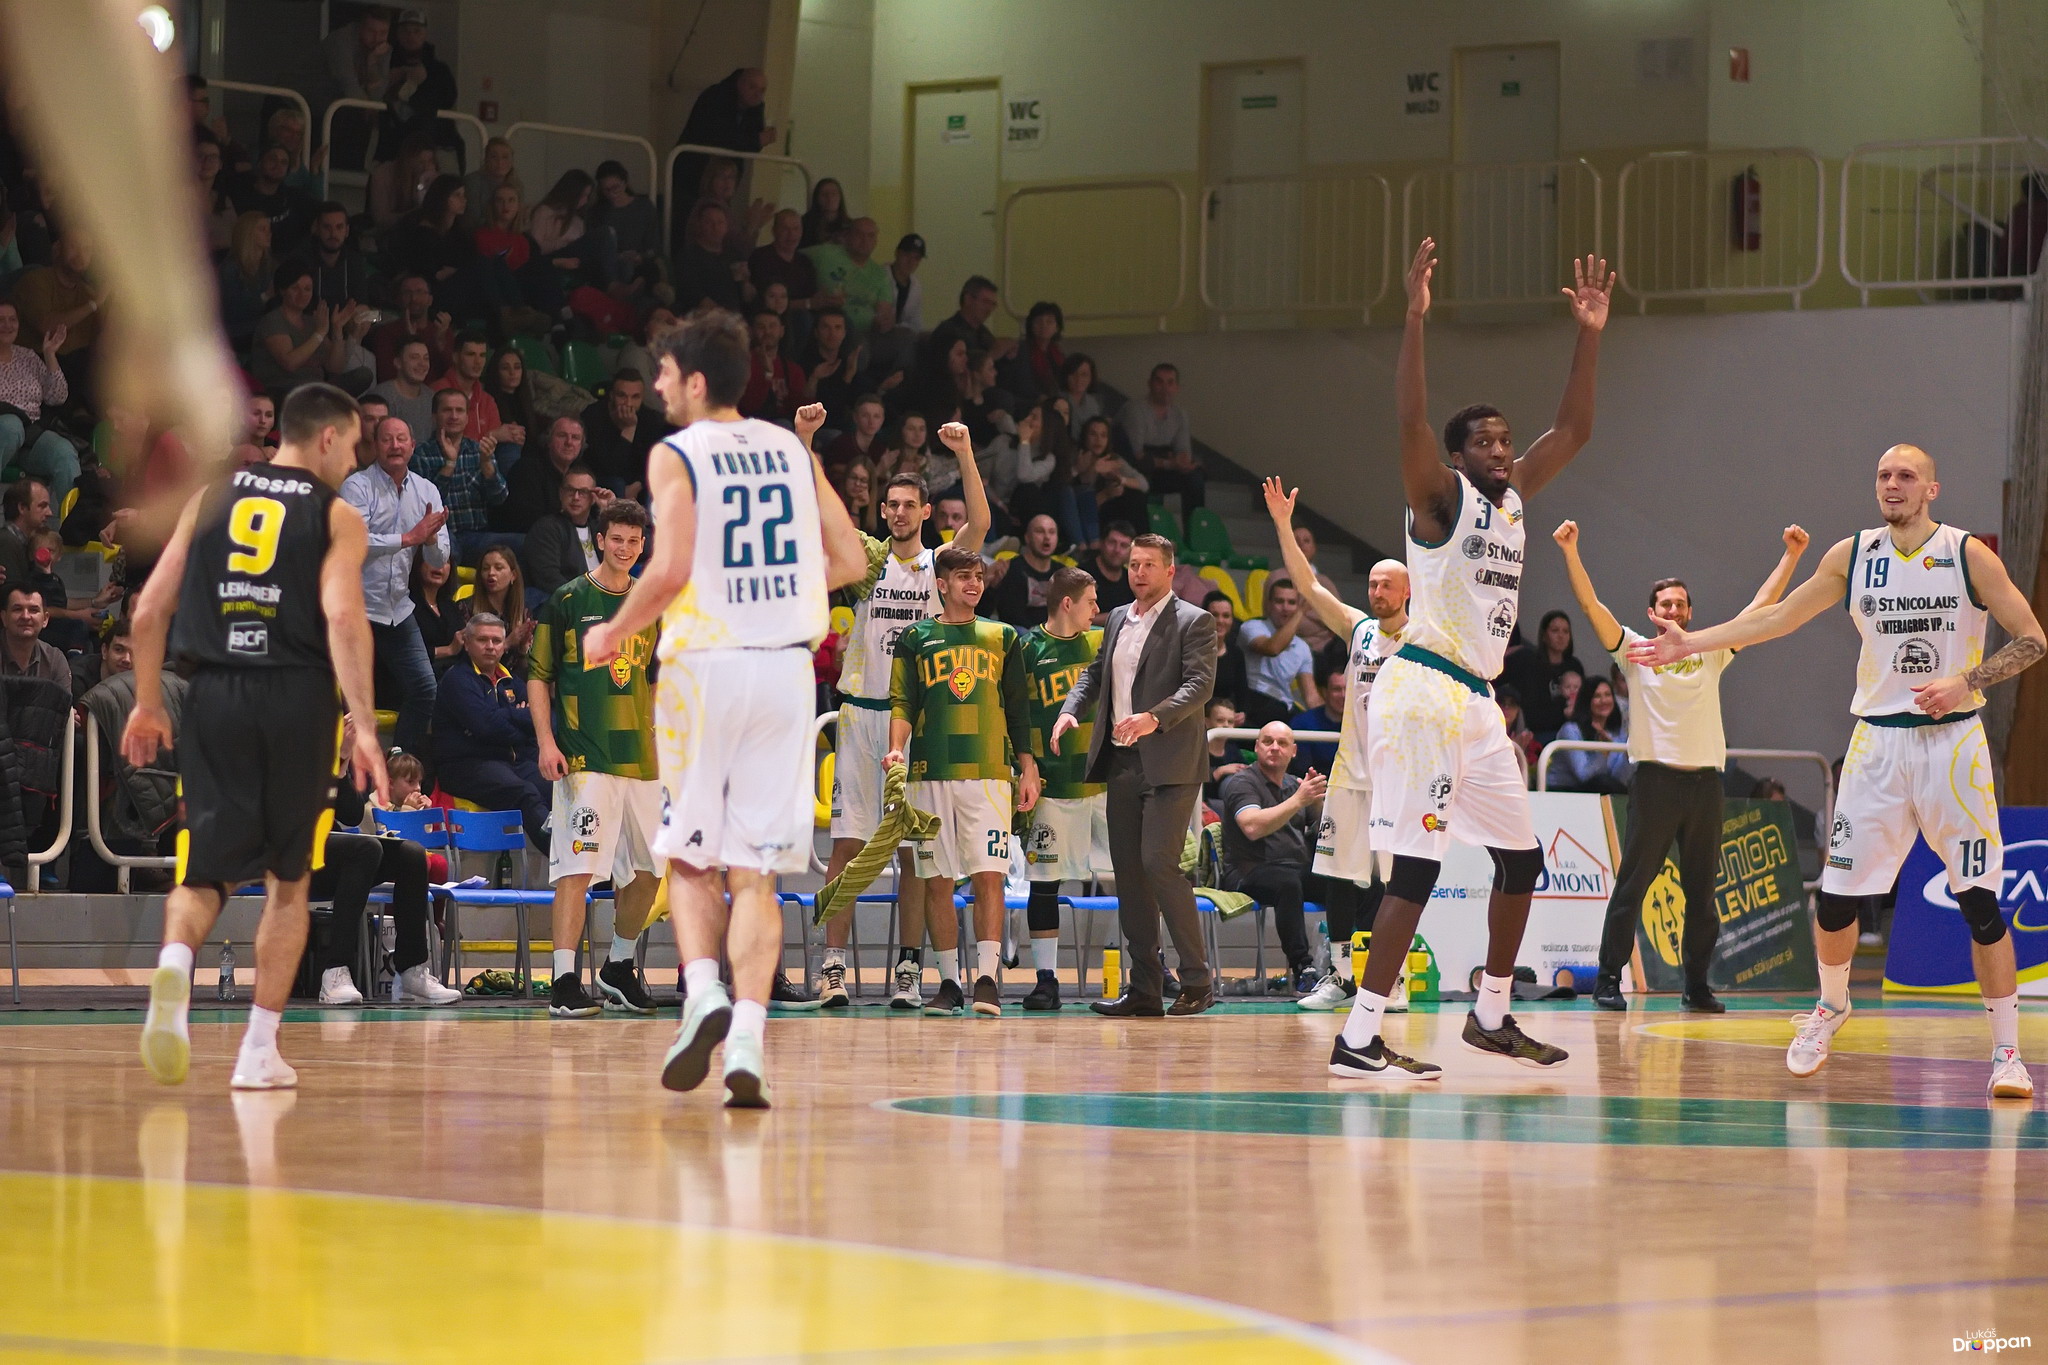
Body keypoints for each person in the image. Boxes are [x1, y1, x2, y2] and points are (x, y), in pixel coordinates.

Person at [1629, 443, 2045, 1098]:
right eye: (1883, 475)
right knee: (1836, 898)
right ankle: (1830, 1006)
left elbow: (2033, 638)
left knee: (1980, 905)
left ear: (1931, 489)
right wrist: (1694, 641)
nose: (1892, 484)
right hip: (1876, 745)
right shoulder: (1852, 557)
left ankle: (2007, 1054)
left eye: (1906, 476)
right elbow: (1778, 617)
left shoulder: (1967, 555)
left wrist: (1966, 680)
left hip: (1952, 745)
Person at [1333, 239, 1613, 1083]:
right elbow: (1411, 422)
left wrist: (1590, 334)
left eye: (1504, 440)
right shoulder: (1439, 498)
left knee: (1523, 860)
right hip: (1422, 689)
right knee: (1417, 871)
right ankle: (1359, 1034)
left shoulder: (1515, 497)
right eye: (1484, 442)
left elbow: (1576, 429)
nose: (1499, 449)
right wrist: (1415, 318)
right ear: (1458, 457)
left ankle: (1490, 1014)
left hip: (1478, 702)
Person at [578, 310, 865, 1108]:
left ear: (696, 381)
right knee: (757, 874)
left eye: (665, 372)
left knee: (689, 856)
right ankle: (747, 1037)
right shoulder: (792, 451)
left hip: (705, 667)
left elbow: (670, 568)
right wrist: (779, 587)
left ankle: (702, 988)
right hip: (785, 671)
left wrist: (612, 630)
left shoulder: (677, 452)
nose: (657, 384)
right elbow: (849, 557)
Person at [126, 384, 387, 1091]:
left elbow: (148, 610)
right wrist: (364, 726)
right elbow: (343, 618)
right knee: (289, 880)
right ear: (326, 437)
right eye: (353, 445)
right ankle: (258, 1051)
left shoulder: (208, 497)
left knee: (205, 872)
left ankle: (174, 967)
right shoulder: (336, 515)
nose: (353, 461)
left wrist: (146, 703)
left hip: (213, 693)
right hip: (298, 697)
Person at [1554, 518, 1809, 1011]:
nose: (1673, 609)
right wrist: (1571, 551)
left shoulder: (1711, 651)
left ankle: (1696, 987)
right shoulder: (1634, 649)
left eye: (1680, 603)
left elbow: (1759, 610)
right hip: (1655, 782)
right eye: (1665, 603)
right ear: (1652, 612)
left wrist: (1792, 556)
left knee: (1702, 894)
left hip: (1705, 786)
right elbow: (1591, 606)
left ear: (1690, 612)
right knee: (1632, 887)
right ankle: (1608, 980)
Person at [812, 417, 990, 1005]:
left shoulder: (941, 566)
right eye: (891, 505)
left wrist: (964, 452)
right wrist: (807, 445)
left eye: (909, 505)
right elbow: (825, 519)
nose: (898, 513)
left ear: (926, 511)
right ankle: (833, 968)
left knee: (916, 852)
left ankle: (909, 969)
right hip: (863, 717)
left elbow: (982, 522)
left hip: (918, 722)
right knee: (848, 845)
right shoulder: (867, 559)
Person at [1050, 532, 1217, 1017]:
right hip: (1122, 762)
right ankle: (1145, 987)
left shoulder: (1194, 620)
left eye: (1148, 565)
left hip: (1171, 763)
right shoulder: (1119, 617)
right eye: (1133, 564)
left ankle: (1197, 980)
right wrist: (1070, 710)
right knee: (1129, 875)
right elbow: (1094, 674)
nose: (1138, 572)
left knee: (1158, 863)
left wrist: (1154, 718)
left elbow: (1200, 685)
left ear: (1170, 570)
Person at [1264, 478, 1411, 1010]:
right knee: (1338, 876)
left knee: (1396, 883)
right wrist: (1283, 524)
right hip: (1351, 774)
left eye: (1386, 584)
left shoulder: (1423, 639)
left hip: (1399, 780)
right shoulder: (1359, 629)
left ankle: (1393, 978)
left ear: (1407, 591)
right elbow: (1308, 587)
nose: (1376, 591)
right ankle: (1342, 976)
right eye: (1372, 583)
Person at [886, 541, 1042, 1015]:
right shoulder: (915, 637)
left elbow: (1019, 708)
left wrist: (1028, 765)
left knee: (988, 876)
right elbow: (903, 701)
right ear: (942, 584)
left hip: (989, 773)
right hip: (929, 773)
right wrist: (896, 747)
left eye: (978, 577)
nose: (974, 584)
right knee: (936, 880)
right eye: (963, 577)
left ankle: (988, 980)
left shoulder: (1003, 636)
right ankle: (950, 982)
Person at [526, 498, 664, 1017]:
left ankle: (618, 967)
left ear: (643, 546)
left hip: (642, 762)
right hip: (584, 759)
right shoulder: (566, 599)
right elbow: (538, 675)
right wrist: (546, 742)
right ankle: (564, 981)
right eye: (616, 539)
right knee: (577, 870)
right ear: (599, 541)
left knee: (649, 872)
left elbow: (654, 679)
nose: (625, 548)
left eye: (634, 540)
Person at [311, 723, 462, 1007]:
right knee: (365, 849)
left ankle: (411, 970)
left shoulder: (328, 751)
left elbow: (351, 814)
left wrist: (341, 761)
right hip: (286, 850)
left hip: (327, 849)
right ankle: (335, 970)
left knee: (411, 854)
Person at [1018, 567, 1109, 1011]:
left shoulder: (1102, 642)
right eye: (1091, 601)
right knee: (1044, 883)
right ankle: (1046, 980)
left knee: (1136, 877)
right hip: (1053, 783)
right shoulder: (1028, 649)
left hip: (1105, 780)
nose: (1098, 609)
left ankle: (1154, 968)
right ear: (1067, 603)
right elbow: (1016, 714)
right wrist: (1025, 766)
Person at [340, 414, 450, 756]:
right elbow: (353, 540)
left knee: (425, 689)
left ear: (413, 446)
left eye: (402, 439)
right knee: (348, 699)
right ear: (375, 445)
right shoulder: (357, 486)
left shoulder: (427, 490)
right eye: (387, 439)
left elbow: (439, 558)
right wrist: (408, 538)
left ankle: (398, 763)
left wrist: (430, 540)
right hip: (355, 609)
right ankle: (343, 770)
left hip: (397, 608)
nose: (395, 446)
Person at [1220, 723, 1329, 990]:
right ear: (1257, 747)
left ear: (1294, 751)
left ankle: (1345, 965)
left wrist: (1316, 802)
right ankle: (1304, 968)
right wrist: (1299, 800)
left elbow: (1321, 829)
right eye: (1268, 741)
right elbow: (1252, 827)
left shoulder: (1294, 785)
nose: (1274, 748)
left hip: (1295, 868)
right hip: (1248, 870)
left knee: (1351, 883)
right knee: (1287, 883)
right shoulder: (1242, 783)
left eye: (1282, 743)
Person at [433, 612, 549, 850]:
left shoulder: (512, 681)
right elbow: (485, 727)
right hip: (466, 765)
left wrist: (504, 717)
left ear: (504, 646)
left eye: (496, 641)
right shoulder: (457, 680)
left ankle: (579, 855)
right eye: (482, 640)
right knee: (525, 793)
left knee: (557, 787)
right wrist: (519, 717)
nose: (490, 646)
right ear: (467, 643)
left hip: (512, 761)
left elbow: (546, 719)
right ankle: (560, 858)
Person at [413, 387, 507, 561]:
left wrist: (487, 464)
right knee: (447, 551)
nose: (454, 416)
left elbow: (499, 498)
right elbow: (423, 506)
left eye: (460, 410)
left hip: (477, 536)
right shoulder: (420, 454)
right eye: (447, 410)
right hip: (440, 534)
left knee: (524, 544)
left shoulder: (479, 450)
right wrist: (449, 464)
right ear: (434, 416)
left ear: (467, 417)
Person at [0, 300, 79, 503]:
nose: (7, 325)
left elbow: (57, 397)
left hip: (30, 437)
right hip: (4, 435)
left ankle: (72, 520)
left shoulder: (27, 356)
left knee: (64, 453)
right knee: (11, 425)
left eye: (12, 320)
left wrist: (49, 354)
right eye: (1, 320)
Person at [253, 265, 369, 395]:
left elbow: (335, 367)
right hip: (284, 389)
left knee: (363, 375)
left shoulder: (313, 322)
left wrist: (337, 329)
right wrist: (319, 333)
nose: (302, 294)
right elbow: (290, 363)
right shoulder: (273, 320)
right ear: (282, 290)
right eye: (295, 288)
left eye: (307, 289)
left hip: (317, 387)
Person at [1118, 362, 1203, 532]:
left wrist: (1184, 462)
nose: (1165, 388)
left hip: (1161, 467)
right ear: (1150, 384)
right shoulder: (1135, 410)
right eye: (1159, 382)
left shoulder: (1180, 414)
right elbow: (1136, 455)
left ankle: (1195, 533)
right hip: (1134, 467)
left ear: (1176, 387)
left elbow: (1183, 450)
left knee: (1194, 478)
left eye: (1170, 383)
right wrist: (1169, 463)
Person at [1239, 578, 1321, 727]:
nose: (1285, 608)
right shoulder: (1252, 626)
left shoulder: (1302, 647)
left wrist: (1330, 720)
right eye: (1279, 601)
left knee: (1306, 724)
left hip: (1284, 705)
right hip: (1254, 701)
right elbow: (1273, 648)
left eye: (1291, 603)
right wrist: (1301, 612)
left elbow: (1311, 697)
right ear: (1269, 604)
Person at [521, 460, 609, 595]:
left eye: (583, 492)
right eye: (570, 490)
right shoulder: (547, 528)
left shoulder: (599, 527)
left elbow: (635, 549)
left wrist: (611, 511)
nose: (576, 497)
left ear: (593, 498)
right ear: (561, 493)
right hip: (574, 600)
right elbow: (548, 578)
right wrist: (583, 598)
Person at [1500, 608, 1585, 743]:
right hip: (1539, 732)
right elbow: (1532, 712)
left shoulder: (1575, 666)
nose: (1561, 636)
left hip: (1571, 730)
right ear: (1544, 635)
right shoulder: (1530, 662)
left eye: (1566, 631)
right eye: (1555, 631)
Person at [581, 369, 664, 500]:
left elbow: (656, 462)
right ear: (612, 395)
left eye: (635, 397)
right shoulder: (594, 415)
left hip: (638, 481)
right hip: (603, 479)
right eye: (622, 396)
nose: (628, 403)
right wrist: (629, 429)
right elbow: (610, 469)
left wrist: (639, 484)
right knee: (617, 484)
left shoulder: (651, 420)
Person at [804, 217, 893, 339]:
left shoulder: (880, 274)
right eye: (859, 234)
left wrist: (884, 322)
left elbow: (884, 312)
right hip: (831, 328)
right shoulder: (825, 254)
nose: (865, 240)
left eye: (870, 236)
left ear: (876, 241)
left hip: (868, 333)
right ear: (848, 235)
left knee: (905, 336)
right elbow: (791, 255)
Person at [501, 415, 590, 534]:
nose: (569, 442)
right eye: (562, 435)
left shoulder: (583, 473)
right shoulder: (527, 469)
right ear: (548, 441)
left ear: (581, 445)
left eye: (575, 438)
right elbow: (527, 522)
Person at [1548, 677, 1632, 794]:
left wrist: (1628, 757)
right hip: (1563, 791)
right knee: (1602, 782)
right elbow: (1584, 776)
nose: (1603, 700)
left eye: (1607, 695)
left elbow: (1619, 780)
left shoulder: (1617, 733)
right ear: (1587, 700)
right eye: (1597, 696)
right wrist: (1603, 752)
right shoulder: (1571, 730)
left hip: (1600, 791)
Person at [367, 274, 455, 382]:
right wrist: (409, 342)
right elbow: (387, 376)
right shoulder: (386, 332)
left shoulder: (442, 331)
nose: (414, 298)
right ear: (399, 299)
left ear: (430, 300)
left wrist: (441, 343)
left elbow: (454, 375)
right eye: (407, 293)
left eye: (420, 292)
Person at [435, 336, 517, 447]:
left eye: (482, 355)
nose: (478, 362)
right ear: (456, 357)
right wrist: (491, 435)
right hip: (445, 456)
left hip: (483, 456)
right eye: (471, 354)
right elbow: (444, 442)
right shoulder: (438, 391)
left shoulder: (487, 400)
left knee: (511, 446)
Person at [988, 514, 1062, 628]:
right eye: (1040, 531)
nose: (1047, 537)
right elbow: (1011, 616)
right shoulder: (1012, 569)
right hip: (1022, 632)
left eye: (1052, 532)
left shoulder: (1062, 573)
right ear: (1027, 538)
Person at [740, 306, 807, 425]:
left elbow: (798, 410)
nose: (767, 332)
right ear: (751, 331)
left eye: (772, 326)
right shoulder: (741, 364)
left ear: (782, 331)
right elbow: (748, 406)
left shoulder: (793, 370)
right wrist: (767, 374)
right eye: (761, 327)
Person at [366, 336, 438, 446]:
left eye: (426, 358)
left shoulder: (432, 397)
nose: (422, 363)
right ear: (398, 363)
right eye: (414, 357)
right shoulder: (382, 396)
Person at [1288, 665, 1345, 776]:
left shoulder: (1363, 724)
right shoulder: (1302, 724)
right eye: (1336, 689)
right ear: (1324, 692)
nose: (1343, 695)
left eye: (1348, 689)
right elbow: (1301, 771)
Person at [1202, 590, 1250, 718]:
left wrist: (1241, 713)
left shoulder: (1236, 654)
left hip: (1225, 718)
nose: (1220, 621)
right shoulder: (1189, 651)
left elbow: (1242, 692)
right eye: (1214, 615)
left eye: (1226, 616)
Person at [1079, 521, 1136, 620]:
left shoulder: (1132, 579)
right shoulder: (1081, 575)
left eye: (1124, 545)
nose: (1117, 550)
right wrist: (1115, 617)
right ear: (1101, 543)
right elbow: (1076, 618)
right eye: (1112, 542)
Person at [799, 176, 850, 249]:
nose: (830, 198)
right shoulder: (804, 225)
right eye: (824, 194)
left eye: (834, 194)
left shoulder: (849, 226)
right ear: (817, 198)